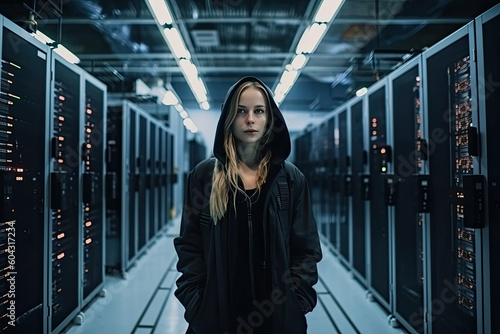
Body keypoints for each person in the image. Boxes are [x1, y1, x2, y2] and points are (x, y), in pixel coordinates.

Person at [174, 76, 322, 334]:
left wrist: (297, 302)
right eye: (241, 111)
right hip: (217, 318)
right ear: (228, 119)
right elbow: (190, 244)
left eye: (258, 111)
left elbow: (306, 250)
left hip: (277, 319)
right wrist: (197, 303)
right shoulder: (204, 177)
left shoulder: (290, 179)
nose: (250, 119)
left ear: (269, 119)